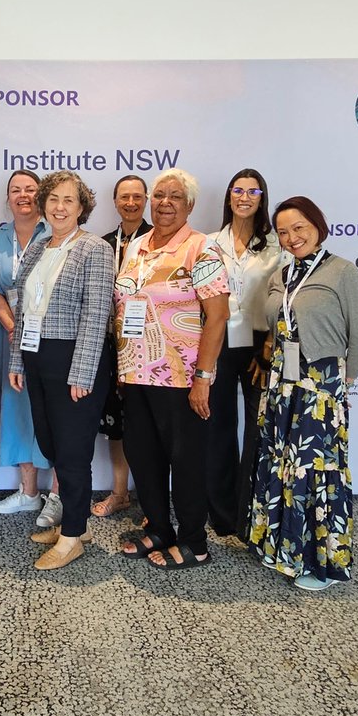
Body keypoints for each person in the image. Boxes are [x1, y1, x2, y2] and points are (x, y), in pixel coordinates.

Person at [248, 196, 358, 591]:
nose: (291, 237)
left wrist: (341, 383)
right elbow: (273, 329)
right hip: (281, 387)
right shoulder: (281, 276)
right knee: (281, 464)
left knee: (316, 472)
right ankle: (282, 548)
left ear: (317, 225)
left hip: (319, 387)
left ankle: (321, 564)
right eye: (283, 231)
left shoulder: (342, 271)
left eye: (299, 227)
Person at [113, 169, 230, 570]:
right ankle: (160, 528)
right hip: (135, 373)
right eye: (159, 195)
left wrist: (203, 378)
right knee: (143, 457)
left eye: (175, 197)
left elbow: (217, 318)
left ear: (190, 205)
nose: (164, 202)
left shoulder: (202, 248)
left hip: (180, 378)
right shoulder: (137, 247)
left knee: (185, 461)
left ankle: (194, 542)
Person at [8, 171, 114, 570]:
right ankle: (77, 522)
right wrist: (19, 360)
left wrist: (83, 372)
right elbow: (22, 309)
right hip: (36, 358)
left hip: (74, 360)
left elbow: (95, 313)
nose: (59, 207)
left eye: (68, 200)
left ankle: (72, 538)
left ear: (82, 206)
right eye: (53, 199)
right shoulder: (38, 247)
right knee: (51, 443)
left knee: (71, 451)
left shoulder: (94, 249)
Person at [205, 169, 284, 539]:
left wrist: (269, 342)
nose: (244, 196)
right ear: (229, 196)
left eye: (253, 191)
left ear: (262, 198)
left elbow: (284, 300)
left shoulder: (276, 248)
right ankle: (222, 515)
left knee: (257, 429)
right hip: (218, 340)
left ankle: (251, 514)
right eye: (238, 189)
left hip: (259, 344)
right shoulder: (209, 243)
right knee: (218, 428)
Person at [0, 170, 60, 524]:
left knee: (56, 414)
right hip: (12, 337)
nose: (23, 195)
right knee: (18, 411)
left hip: (53, 337)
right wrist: (14, 327)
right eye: (16, 190)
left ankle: (58, 494)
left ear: (40, 196)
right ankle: (28, 492)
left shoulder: (56, 235)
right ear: (8, 197)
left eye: (30, 189)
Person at [93, 174, 152, 519]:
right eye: (123, 197)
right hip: (110, 347)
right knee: (116, 424)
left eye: (136, 197)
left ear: (145, 200)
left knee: (146, 424)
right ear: (114, 201)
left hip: (148, 349)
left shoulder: (159, 242)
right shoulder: (102, 244)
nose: (130, 203)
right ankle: (120, 493)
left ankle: (150, 498)